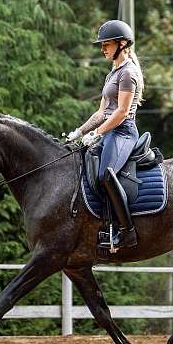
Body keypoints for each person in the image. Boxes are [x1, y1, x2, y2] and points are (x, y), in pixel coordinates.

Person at [67, 20, 145, 249]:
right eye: (102, 45)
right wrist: (80, 131)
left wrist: (97, 133)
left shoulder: (128, 73)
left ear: (122, 44)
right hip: (109, 130)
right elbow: (102, 112)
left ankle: (127, 230)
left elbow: (121, 112)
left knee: (104, 175)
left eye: (106, 44)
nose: (102, 49)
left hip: (122, 132)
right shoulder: (112, 73)